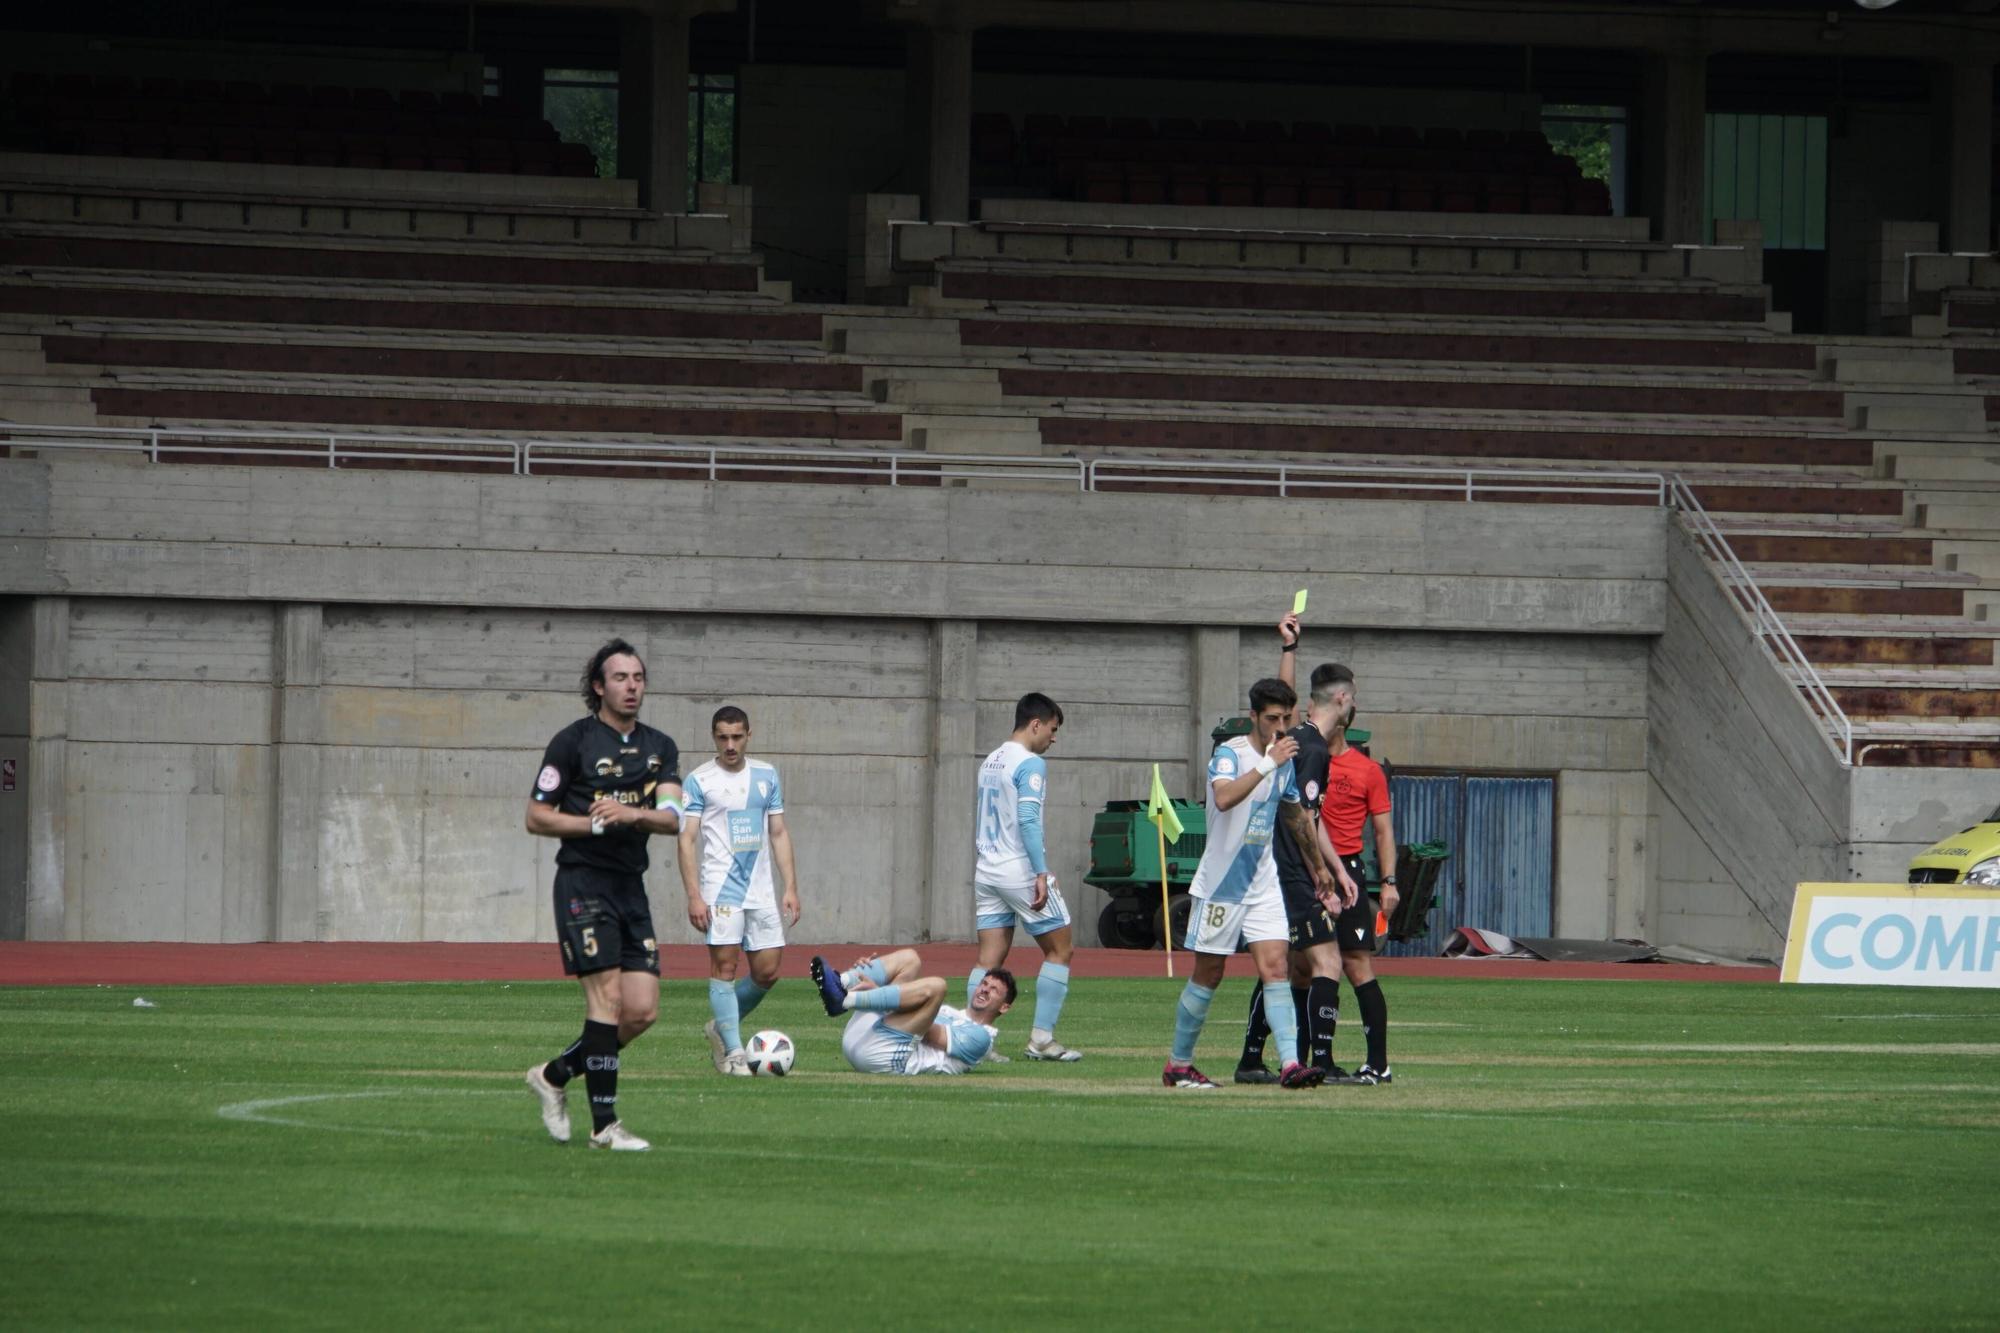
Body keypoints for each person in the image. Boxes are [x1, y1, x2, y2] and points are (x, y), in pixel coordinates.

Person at [521, 638, 683, 1151]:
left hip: (630, 888)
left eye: (638, 677)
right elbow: (536, 817)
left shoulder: (661, 746)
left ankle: (553, 1074)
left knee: (641, 1011)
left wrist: (631, 814)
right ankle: (604, 1126)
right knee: (607, 1000)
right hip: (583, 883)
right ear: (598, 686)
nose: (631, 686)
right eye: (620, 678)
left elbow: (673, 818)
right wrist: (594, 825)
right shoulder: (572, 742)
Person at [1163, 677, 1339, 1091]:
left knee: (1277, 967)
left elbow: (1295, 814)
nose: (1280, 727)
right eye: (1272, 718)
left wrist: (1319, 867)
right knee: (1209, 974)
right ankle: (1178, 1064)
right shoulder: (1231, 754)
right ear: (1253, 717)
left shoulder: (1284, 761)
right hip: (1221, 886)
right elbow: (1224, 798)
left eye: (1286, 718)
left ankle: (1290, 1064)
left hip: (1263, 884)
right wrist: (1267, 764)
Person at [1235, 613, 1363, 1084]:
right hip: (1289, 872)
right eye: (1354, 698)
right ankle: (1322, 1062)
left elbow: (1312, 815)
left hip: (1279, 870)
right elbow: (1303, 820)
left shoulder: (1297, 741)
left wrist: (1289, 648)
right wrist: (1322, 877)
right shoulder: (1312, 750)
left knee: (1291, 971)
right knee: (1327, 963)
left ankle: (1253, 1060)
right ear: (1343, 699)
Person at [678, 705, 800, 1077]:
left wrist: (790, 887)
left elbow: (778, 832)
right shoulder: (699, 780)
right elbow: (687, 839)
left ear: (749, 735)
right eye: (723, 737)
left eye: (736, 737)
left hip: (760, 890)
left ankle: (720, 1026)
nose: (730, 745)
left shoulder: (766, 775)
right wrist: (694, 895)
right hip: (720, 890)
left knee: (768, 971)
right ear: (714, 738)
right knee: (725, 968)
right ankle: (733, 1052)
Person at [970, 692, 1080, 1062]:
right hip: (1018, 870)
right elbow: (1029, 820)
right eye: (1052, 729)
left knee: (988, 960)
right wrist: (1041, 872)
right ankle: (1041, 1040)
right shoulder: (1030, 763)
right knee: (1060, 949)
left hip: (987, 870)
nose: (1053, 737)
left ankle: (973, 1040)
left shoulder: (990, 760)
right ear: (1035, 724)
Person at [1316, 672, 1398, 1085]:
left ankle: (1378, 1063)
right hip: (1305, 868)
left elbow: (1383, 831)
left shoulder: (1368, 771)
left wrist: (1389, 881)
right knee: (1302, 965)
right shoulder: (1304, 759)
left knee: (1356, 963)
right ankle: (1316, 1061)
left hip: (1347, 870)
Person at [811, 949, 1016, 1076]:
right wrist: (873, 981)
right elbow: (905, 1014)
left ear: (1004, 1007)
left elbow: (927, 1032)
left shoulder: (982, 1038)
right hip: (862, 1037)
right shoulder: (949, 1011)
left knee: (937, 986)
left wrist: (879, 992)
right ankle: (842, 983)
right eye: (984, 984)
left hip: (883, 1056)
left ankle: (845, 1000)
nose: (984, 990)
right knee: (910, 959)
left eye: (994, 990)